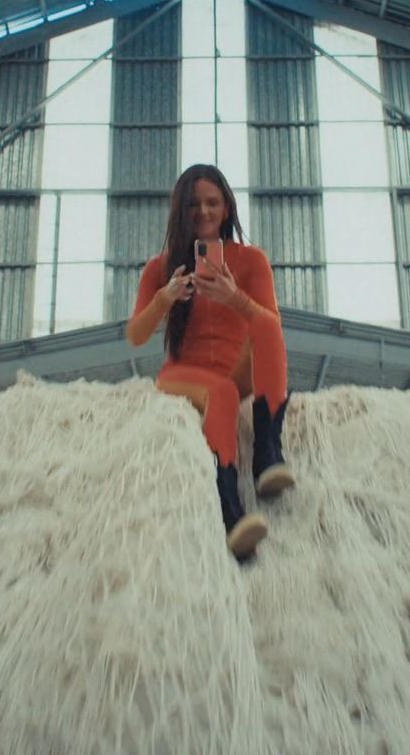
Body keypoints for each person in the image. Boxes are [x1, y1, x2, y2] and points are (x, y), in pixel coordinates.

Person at [126, 164, 294, 561]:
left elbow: (270, 326)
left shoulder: (252, 261)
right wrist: (164, 298)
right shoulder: (159, 267)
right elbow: (136, 335)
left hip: (238, 370)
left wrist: (234, 298)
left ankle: (268, 454)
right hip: (184, 374)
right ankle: (230, 510)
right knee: (220, 392)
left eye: (212, 202)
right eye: (193, 204)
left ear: (227, 207)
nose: (203, 211)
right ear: (179, 211)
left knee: (267, 329)